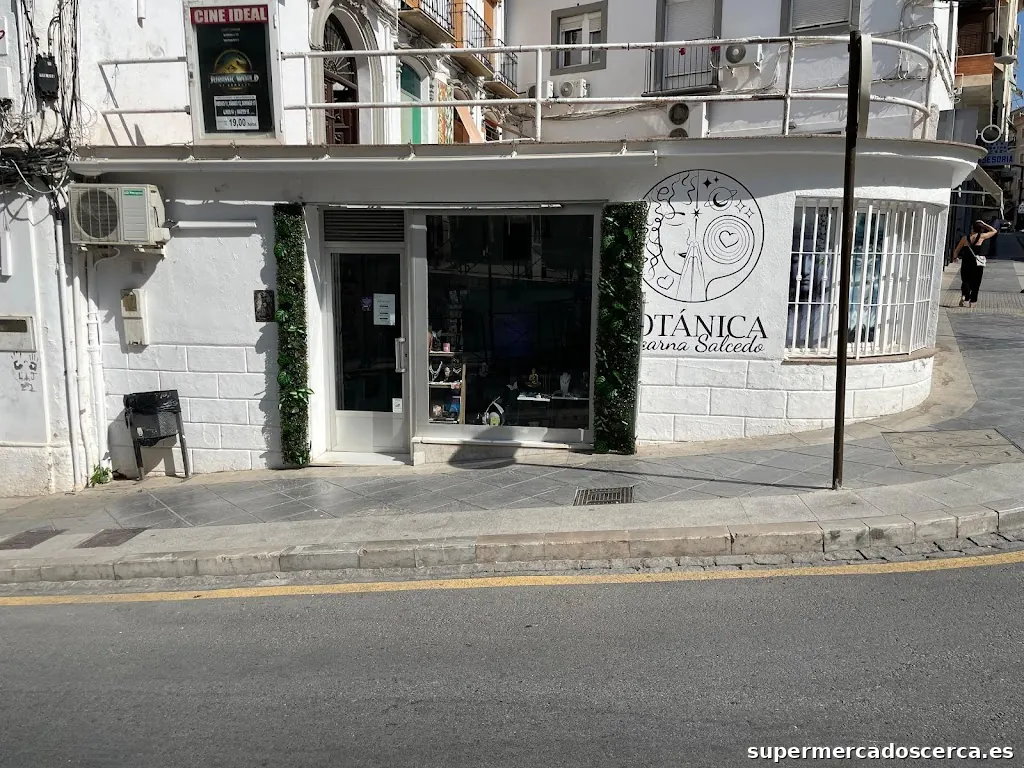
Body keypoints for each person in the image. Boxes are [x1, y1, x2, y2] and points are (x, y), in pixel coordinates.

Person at [952, 220, 998, 307]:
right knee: (976, 281)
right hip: (977, 263)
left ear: (972, 228)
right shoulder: (982, 237)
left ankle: (965, 296)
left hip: (966, 262)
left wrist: (955, 257)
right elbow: (994, 231)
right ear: (981, 229)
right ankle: (973, 301)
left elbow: (956, 250)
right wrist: (984, 224)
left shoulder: (964, 238)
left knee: (965, 280)